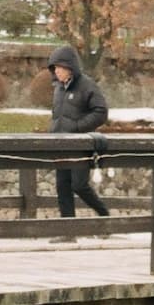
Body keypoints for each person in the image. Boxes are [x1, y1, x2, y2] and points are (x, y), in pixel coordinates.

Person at [47, 43, 109, 216]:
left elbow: (101, 112)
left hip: (80, 147)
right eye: (54, 68)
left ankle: (104, 215)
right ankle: (68, 231)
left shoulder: (87, 85)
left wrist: (77, 128)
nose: (56, 71)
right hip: (59, 145)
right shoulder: (58, 89)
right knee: (62, 187)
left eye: (59, 67)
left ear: (70, 67)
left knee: (79, 186)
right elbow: (57, 116)